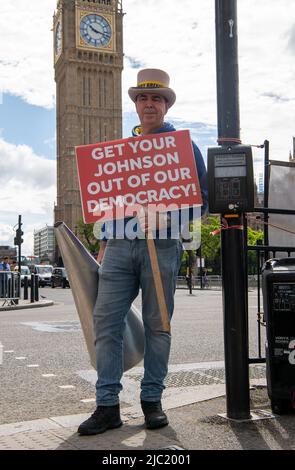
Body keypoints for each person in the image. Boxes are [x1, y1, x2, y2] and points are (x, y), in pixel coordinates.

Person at [78, 69, 208, 435]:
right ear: (136, 105)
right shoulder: (123, 150)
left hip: (161, 246)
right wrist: (105, 242)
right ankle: (107, 406)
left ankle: (152, 400)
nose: (149, 104)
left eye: (156, 99)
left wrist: (169, 219)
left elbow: (203, 201)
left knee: (158, 325)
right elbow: (108, 201)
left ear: (165, 105)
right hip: (119, 245)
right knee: (105, 323)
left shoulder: (183, 145)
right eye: (143, 98)